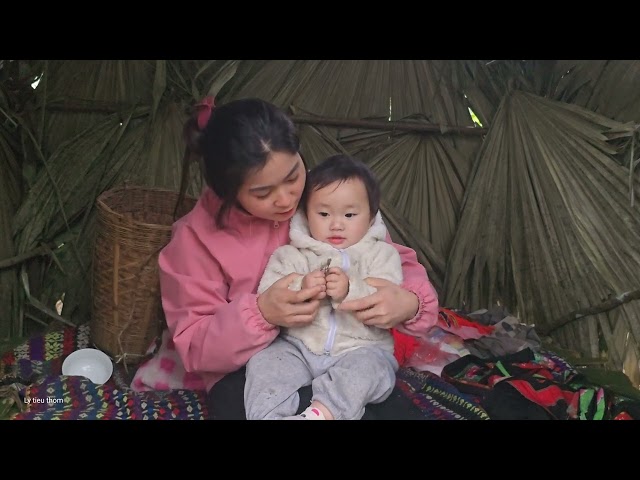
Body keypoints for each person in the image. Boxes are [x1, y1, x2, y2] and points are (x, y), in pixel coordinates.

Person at [129, 96, 440, 420]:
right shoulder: (194, 240)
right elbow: (195, 345)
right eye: (263, 193)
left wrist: (410, 302)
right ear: (226, 191)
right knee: (248, 405)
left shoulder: (322, 196)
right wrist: (261, 313)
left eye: (293, 176)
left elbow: (387, 254)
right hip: (252, 366)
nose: (286, 199)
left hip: (347, 350)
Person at [245, 154, 403, 420]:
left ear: (371, 216)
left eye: (350, 214)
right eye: (324, 213)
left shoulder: (382, 256)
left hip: (360, 348)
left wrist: (350, 289)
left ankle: (322, 414)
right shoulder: (292, 255)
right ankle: (269, 415)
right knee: (264, 365)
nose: (336, 224)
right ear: (306, 215)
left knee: (370, 371)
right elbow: (269, 295)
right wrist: (302, 287)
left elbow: (386, 302)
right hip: (297, 346)